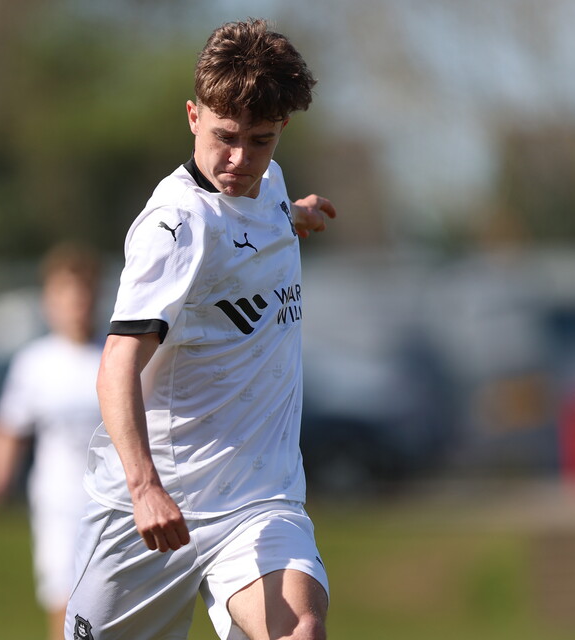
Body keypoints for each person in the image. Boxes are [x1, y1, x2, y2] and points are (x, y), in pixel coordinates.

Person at [66, 19, 337, 640]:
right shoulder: (176, 227)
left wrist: (294, 216)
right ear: (193, 117)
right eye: (225, 137)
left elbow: (254, 218)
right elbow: (116, 366)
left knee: (300, 630)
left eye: (260, 140)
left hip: (257, 501)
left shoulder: (269, 185)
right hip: (152, 511)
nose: (240, 159)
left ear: (281, 129)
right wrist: (144, 488)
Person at [0, 242, 104, 640]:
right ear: (50, 301)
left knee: (110, 608)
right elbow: (8, 429)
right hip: (58, 504)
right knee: (65, 607)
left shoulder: (116, 355)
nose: (76, 305)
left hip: (113, 504)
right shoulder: (35, 363)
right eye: (66, 295)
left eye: (83, 294)